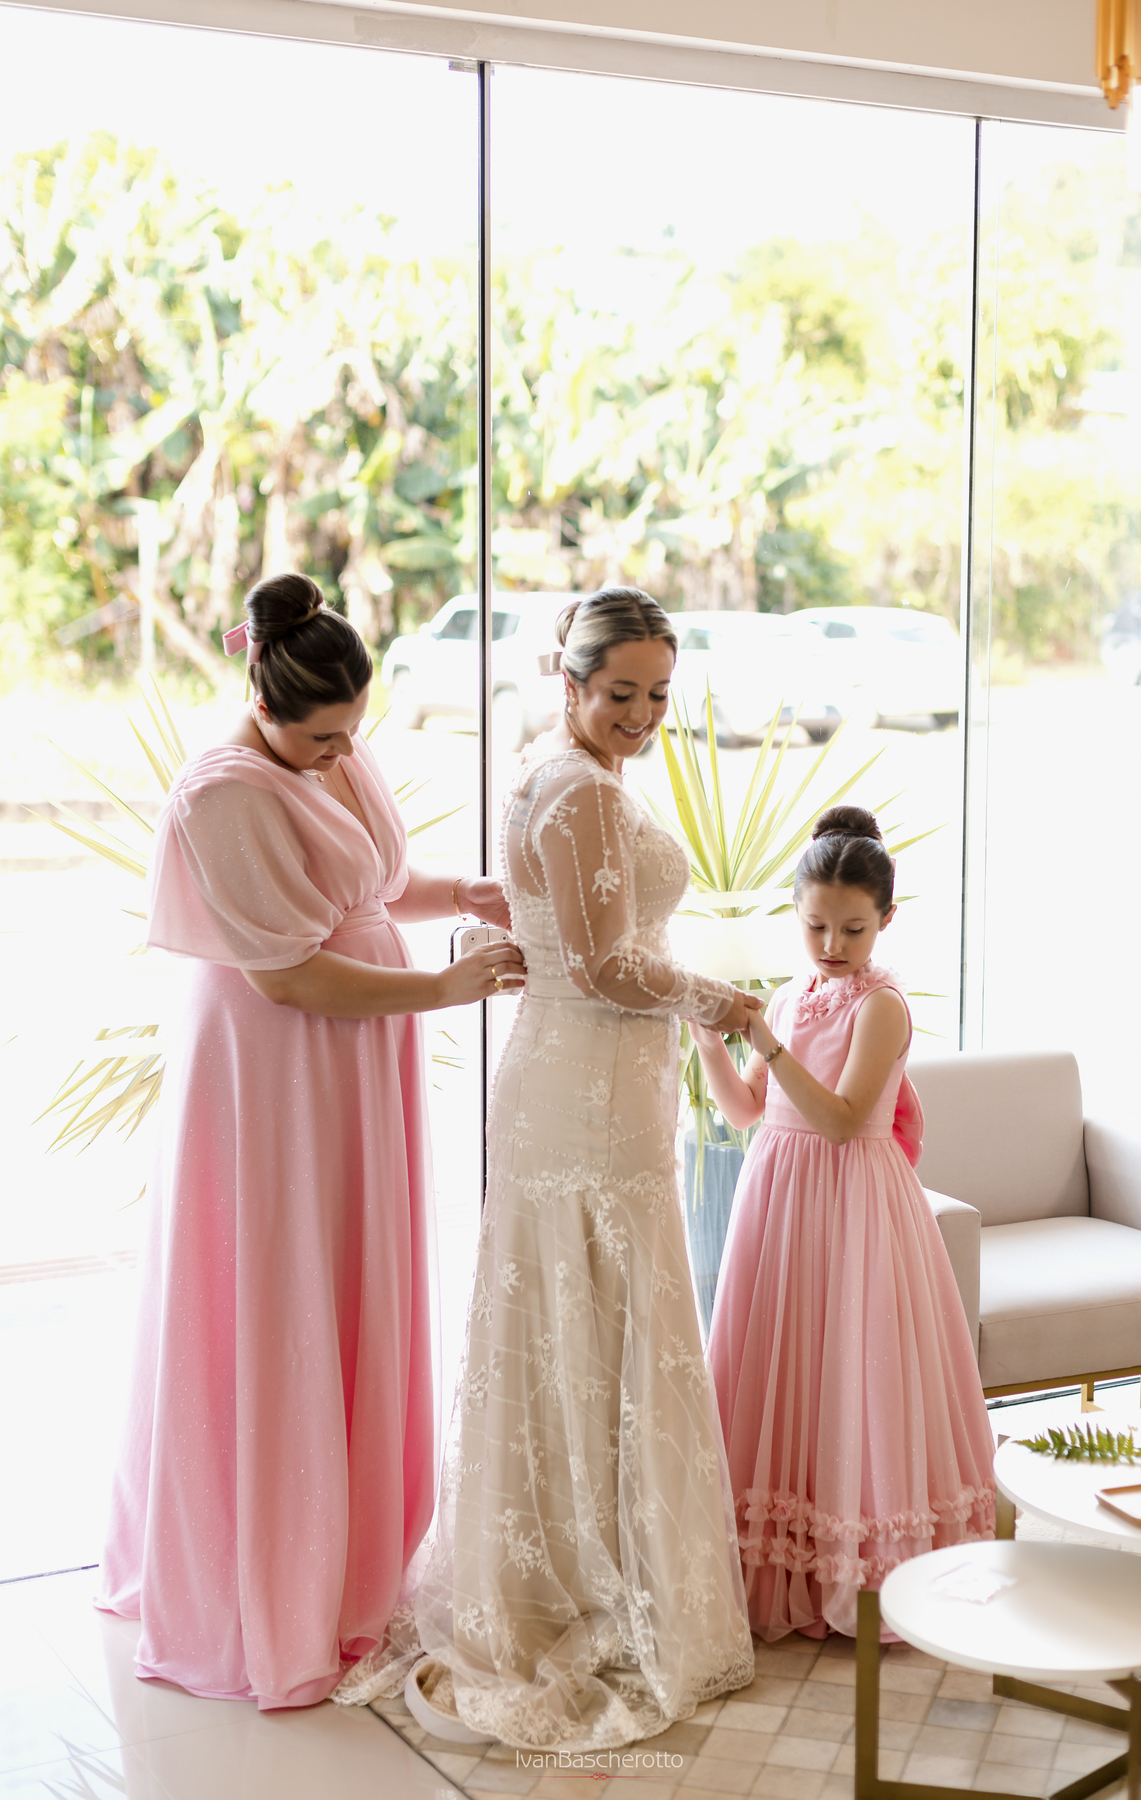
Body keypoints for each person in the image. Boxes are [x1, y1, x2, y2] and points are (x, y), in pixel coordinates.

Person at [97, 571, 525, 1710]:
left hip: (353, 1055)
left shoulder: (329, 750)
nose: (344, 753)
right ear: (261, 701)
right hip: (277, 1069)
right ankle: (275, 1577)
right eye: (325, 739)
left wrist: (466, 892)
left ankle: (354, 1555)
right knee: (282, 1285)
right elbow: (289, 974)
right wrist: (443, 989)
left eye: (353, 733)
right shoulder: (223, 794)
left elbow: (369, 885)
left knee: (349, 1279)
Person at [341, 588, 758, 1746]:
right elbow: (609, 965)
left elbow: (569, 943)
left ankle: (579, 1573)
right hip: (585, 1095)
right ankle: (583, 1595)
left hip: (585, 1083)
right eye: (621, 692)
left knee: (588, 1325)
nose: (643, 714)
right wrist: (717, 999)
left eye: (659, 694)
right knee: (587, 1324)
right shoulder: (580, 789)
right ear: (571, 683)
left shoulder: (561, 769)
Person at [696, 806, 995, 1641]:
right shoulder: (792, 996)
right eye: (816, 926)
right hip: (778, 1197)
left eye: (852, 929)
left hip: (855, 1202)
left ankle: (863, 1569)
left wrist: (767, 1042)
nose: (831, 945)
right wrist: (710, 1039)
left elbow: (840, 1120)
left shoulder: (881, 1006)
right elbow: (746, 1112)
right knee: (784, 1362)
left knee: (852, 1372)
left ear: (885, 920)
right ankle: (783, 1562)